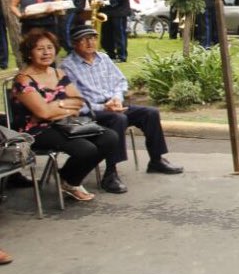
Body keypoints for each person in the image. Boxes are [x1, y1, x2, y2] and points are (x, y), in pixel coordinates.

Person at [61, 23, 184, 184]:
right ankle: (111, 172)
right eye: (84, 39)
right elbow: (76, 101)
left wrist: (117, 99)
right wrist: (104, 107)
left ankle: (156, 160)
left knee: (150, 113)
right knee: (118, 119)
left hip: (113, 104)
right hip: (91, 111)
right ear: (75, 43)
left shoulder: (103, 58)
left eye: (92, 38)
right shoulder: (67, 66)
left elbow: (120, 81)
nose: (90, 43)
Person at [10, 29, 120, 201]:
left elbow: (78, 102)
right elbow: (42, 113)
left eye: (50, 47)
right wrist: (63, 105)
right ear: (29, 53)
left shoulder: (58, 73)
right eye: (40, 49)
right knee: (86, 149)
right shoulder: (24, 80)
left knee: (110, 137)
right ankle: (71, 182)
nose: (46, 52)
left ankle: (68, 178)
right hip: (36, 130)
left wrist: (57, 106)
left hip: (65, 123)